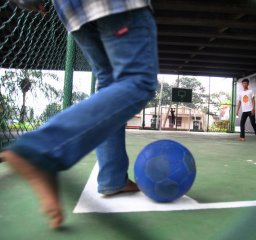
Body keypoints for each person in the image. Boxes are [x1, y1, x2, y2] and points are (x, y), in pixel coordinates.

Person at [0, 0, 157, 229]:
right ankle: (38, 149)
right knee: (138, 81)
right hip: (116, 5)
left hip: (74, 11)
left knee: (110, 83)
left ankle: (113, 178)